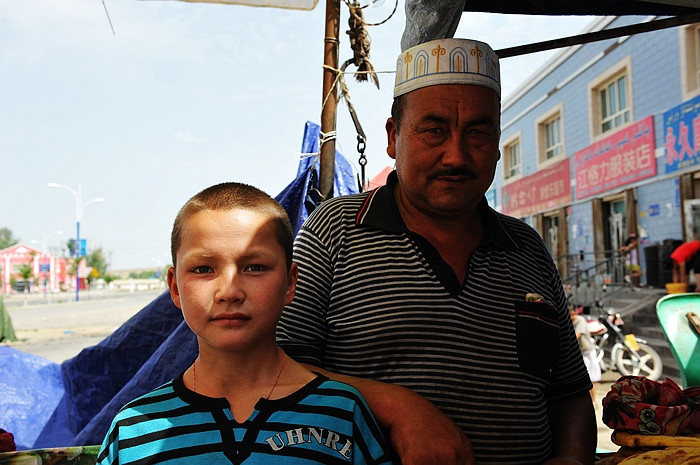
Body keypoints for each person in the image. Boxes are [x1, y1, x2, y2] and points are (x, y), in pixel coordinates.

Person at [277, 37, 597, 464]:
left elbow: (569, 389)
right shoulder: (334, 230)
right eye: (434, 130)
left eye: (478, 133)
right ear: (393, 137)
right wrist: (397, 407)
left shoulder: (527, 247)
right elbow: (278, 368)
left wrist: (573, 458)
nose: (456, 155)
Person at [96, 182, 397, 465]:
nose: (229, 292)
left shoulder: (342, 413)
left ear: (290, 283)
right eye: (203, 269)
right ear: (175, 288)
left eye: (255, 267)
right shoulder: (133, 429)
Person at [569, 306, 601, 403]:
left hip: (587, 351)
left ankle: (593, 400)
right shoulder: (571, 322)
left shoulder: (580, 320)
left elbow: (577, 335)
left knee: (591, 378)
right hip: (580, 352)